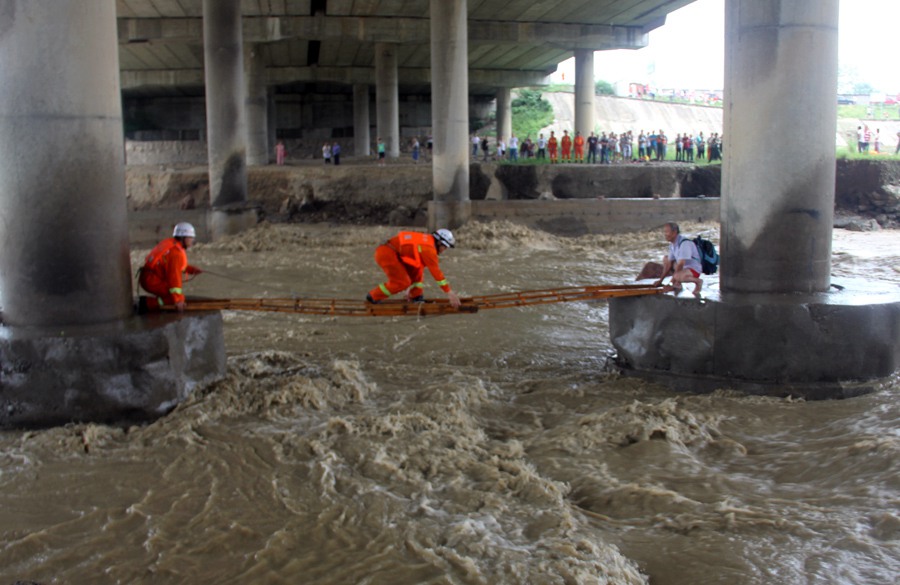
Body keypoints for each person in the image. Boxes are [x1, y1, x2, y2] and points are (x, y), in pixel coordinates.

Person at [366, 229, 461, 308]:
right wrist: (449, 292)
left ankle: (416, 295)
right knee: (402, 283)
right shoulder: (429, 250)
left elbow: (416, 266)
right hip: (387, 254)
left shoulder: (427, 242)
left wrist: (410, 290)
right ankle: (373, 296)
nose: (444, 250)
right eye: (445, 247)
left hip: (392, 252)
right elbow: (437, 273)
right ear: (440, 242)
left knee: (418, 269)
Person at [139, 222, 202, 312]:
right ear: (183, 238)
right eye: (191, 237)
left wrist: (191, 270)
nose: (192, 240)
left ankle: (148, 302)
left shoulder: (174, 246)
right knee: (173, 298)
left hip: (149, 277)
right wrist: (178, 300)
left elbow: (175, 266)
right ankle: (146, 304)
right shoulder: (176, 253)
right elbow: (174, 278)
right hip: (152, 281)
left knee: (175, 296)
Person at [653, 222, 703, 298]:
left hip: (693, 269)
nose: (665, 234)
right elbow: (669, 264)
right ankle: (677, 283)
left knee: (677, 276)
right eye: (664, 232)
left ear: (674, 232)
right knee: (666, 259)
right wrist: (660, 281)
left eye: (667, 232)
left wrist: (670, 284)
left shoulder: (684, 243)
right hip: (684, 268)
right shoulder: (672, 244)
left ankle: (698, 282)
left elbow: (681, 264)